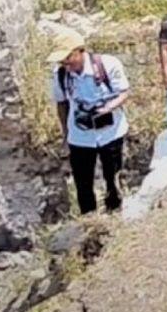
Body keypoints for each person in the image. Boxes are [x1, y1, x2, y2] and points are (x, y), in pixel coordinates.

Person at [48, 26, 130, 215]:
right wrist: (66, 134)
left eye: (68, 57)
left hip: (111, 132)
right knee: (83, 183)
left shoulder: (107, 65)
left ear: (79, 51)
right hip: (80, 137)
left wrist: (107, 108)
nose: (65, 63)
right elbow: (62, 104)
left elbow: (124, 92)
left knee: (113, 178)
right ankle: (89, 219)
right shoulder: (60, 74)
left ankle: (115, 214)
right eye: (61, 59)